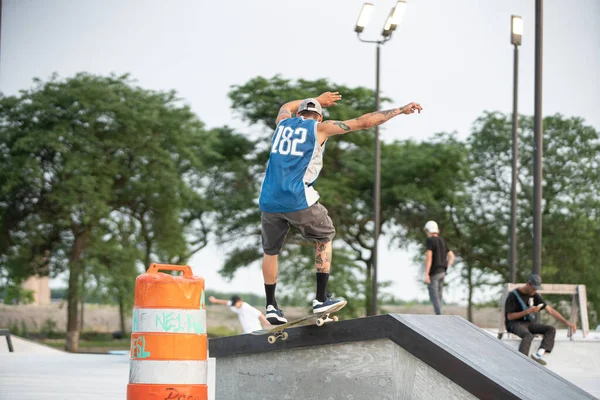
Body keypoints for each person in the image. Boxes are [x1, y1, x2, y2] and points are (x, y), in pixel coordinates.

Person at [259, 92, 423, 325]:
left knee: (270, 252)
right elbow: (363, 122)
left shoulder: (282, 123)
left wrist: (317, 97)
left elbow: (285, 104)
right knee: (325, 235)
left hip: (268, 201)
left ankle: (271, 306)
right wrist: (400, 110)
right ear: (318, 117)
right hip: (297, 198)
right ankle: (320, 298)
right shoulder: (319, 128)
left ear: (298, 114)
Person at [505, 273, 577, 365]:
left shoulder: (534, 295)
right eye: (533, 288)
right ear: (528, 284)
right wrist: (527, 311)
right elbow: (509, 316)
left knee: (550, 329)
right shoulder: (513, 295)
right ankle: (521, 361)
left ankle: (539, 353)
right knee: (528, 335)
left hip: (527, 323)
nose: (534, 291)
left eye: (536, 289)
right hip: (513, 324)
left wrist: (567, 322)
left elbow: (550, 310)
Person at [423, 220, 454, 315]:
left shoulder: (430, 241)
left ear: (428, 230)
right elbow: (452, 256)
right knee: (439, 295)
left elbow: (429, 257)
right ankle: (440, 315)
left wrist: (427, 273)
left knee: (434, 295)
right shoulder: (442, 241)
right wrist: (445, 266)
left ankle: (439, 316)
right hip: (442, 272)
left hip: (434, 273)